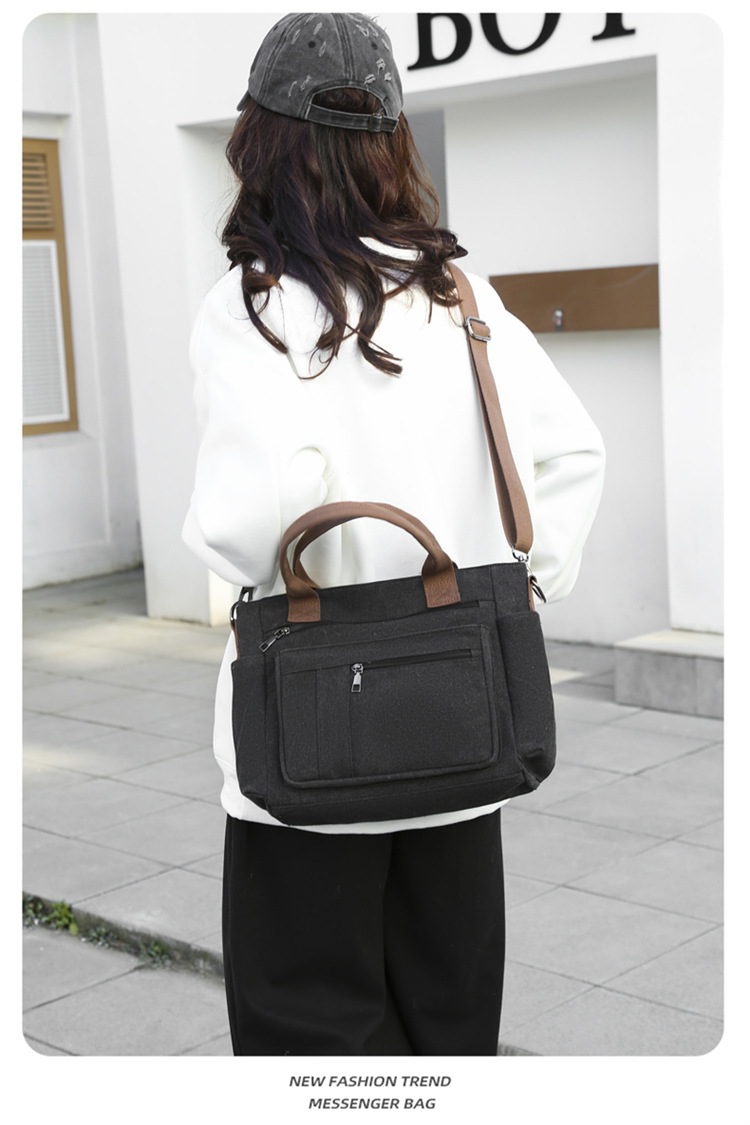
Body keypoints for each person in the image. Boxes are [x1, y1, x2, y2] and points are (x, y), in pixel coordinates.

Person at [182, 12, 605, 1057]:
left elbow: (245, 528)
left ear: (259, 140)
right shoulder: (458, 293)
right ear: (390, 143)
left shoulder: (251, 307)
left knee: (308, 1050)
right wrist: (523, 588)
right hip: (461, 732)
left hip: (308, 752)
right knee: (450, 1030)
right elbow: (571, 455)